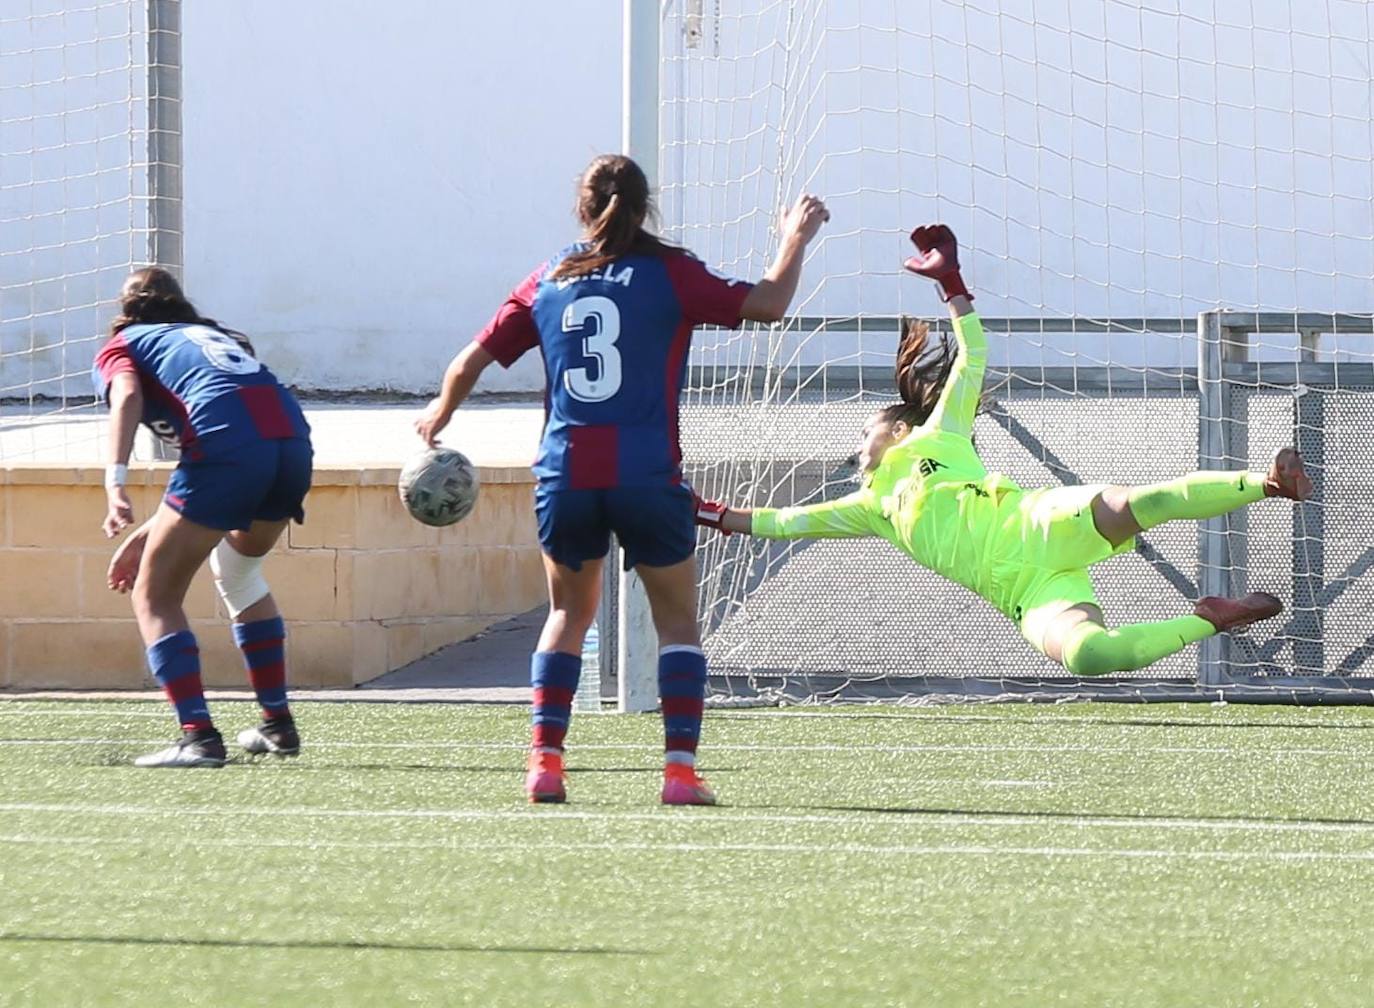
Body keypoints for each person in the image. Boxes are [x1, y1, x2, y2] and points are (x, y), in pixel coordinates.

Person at [694, 225, 1310, 677]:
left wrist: (953, 286)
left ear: (900, 431)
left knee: (1141, 501)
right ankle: (1213, 618)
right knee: (1092, 657)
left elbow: (974, 358)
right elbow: (779, 522)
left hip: (1042, 523)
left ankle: (1266, 482)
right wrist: (705, 511)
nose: (860, 445)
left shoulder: (940, 435)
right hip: (1025, 592)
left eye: (867, 433)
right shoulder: (868, 507)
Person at [415, 153, 829, 804]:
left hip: (566, 474)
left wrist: (441, 411)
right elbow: (770, 303)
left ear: (583, 208)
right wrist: (794, 239)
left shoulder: (550, 277)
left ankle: (545, 764)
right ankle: (680, 774)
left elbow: (472, 358)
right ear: (645, 208)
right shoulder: (671, 273)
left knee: (566, 615)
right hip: (646, 475)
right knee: (678, 626)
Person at [94, 267, 314, 767]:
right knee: (238, 570)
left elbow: (128, 396)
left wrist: (115, 482)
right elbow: (226, 448)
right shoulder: (212, 336)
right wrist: (150, 531)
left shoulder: (125, 342)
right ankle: (277, 725)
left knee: (154, 595)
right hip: (292, 444)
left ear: (125, 313)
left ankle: (198, 737)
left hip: (231, 451)